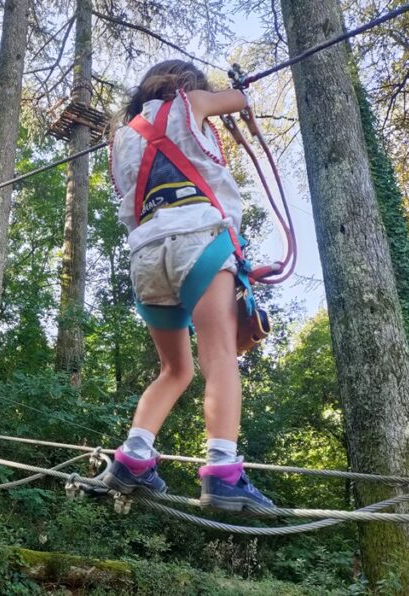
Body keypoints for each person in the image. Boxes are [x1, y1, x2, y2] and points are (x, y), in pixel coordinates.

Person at [101, 59, 274, 512]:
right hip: (199, 237)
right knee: (219, 354)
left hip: (146, 255)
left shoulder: (119, 140)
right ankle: (223, 470)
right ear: (187, 84)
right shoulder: (191, 101)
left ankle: (134, 458)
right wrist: (235, 89)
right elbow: (240, 100)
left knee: (174, 370)